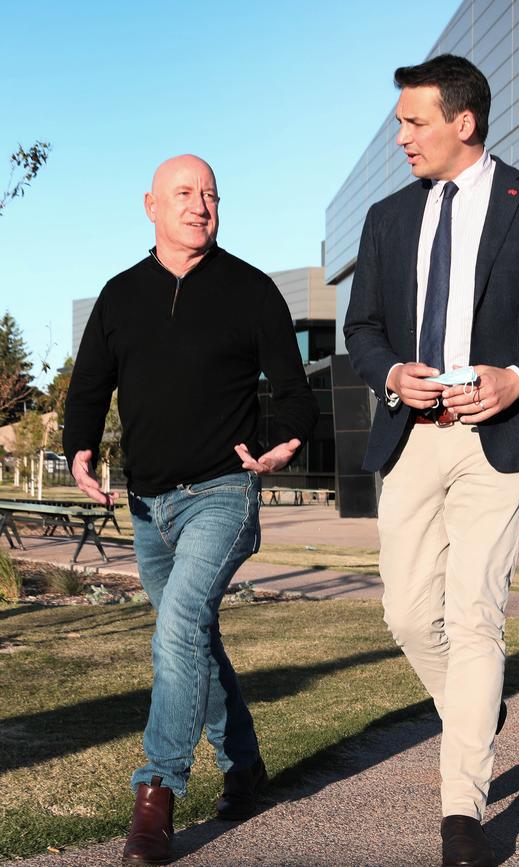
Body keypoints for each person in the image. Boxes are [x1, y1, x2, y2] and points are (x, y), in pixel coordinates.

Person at [344, 55, 519, 867]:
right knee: (409, 615)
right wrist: (390, 371)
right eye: (399, 121)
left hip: (502, 438)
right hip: (412, 435)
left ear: (464, 121)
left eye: (414, 121)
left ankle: (463, 812)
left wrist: (516, 378)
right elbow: (362, 329)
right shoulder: (388, 218)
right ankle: (475, 706)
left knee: (478, 615)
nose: (401, 137)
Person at [64, 154, 319, 865]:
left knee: (177, 627)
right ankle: (245, 764)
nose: (200, 204)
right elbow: (88, 389)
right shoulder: (119, 296)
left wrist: (284, 443)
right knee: (196, 639)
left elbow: (295, 392)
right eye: (184, 193)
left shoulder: (250, 290)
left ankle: (156, 793)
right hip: (147, 507)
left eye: (210, 194)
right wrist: (79, 449)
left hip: (222, 494)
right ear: (150, 204)